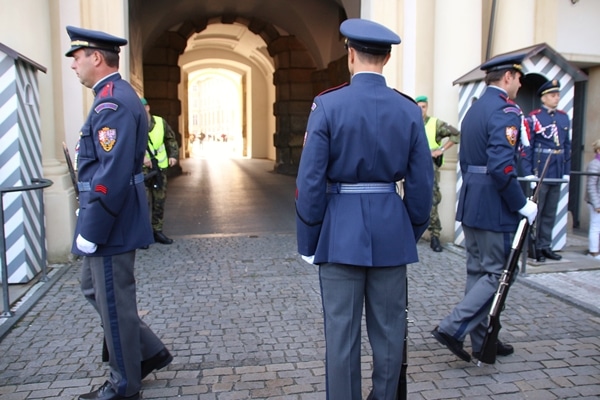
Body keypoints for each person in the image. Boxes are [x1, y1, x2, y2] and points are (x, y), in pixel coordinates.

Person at [295, 18, 433, 399]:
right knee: (390, 334)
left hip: (339, 232)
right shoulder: (408, 110)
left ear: (350, 55)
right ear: (387, 58)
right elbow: (422, 185)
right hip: (391, 227)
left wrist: (310, 239)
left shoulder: (328, 105)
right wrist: (410, 229)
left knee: (342, 336)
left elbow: (310, 183)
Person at [65, 26, 173, 400]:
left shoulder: (112, 102)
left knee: (114, 301)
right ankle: (149, 352)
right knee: (94, 289)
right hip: (110, 216)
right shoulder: (111, 97)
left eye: (77, 58)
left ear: (96, 57)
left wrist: (92, 227)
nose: (74, 65)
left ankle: (124, 385)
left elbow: (110, 173)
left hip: (111, 220)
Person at [431, 53, 538, 363]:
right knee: (498, 273)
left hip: (474, 202)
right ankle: (453, 327)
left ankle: (482, 339)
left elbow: (469, 161)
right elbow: (503, 167)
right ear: (507, 77)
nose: (519, 83)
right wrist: (521, 205)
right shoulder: (506, 111)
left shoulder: (475, 109)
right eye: (518, 77)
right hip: (495, 205)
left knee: (478, 272)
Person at [521, 79, 571, 262]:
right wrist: (529, 172)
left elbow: (567, 146)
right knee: (538, 211)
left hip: (556, 170)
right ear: (543, 97)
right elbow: (527, 147)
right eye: (552, 95)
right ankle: (533, 248)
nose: (556, 98)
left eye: (557, 95)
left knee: (550, 211)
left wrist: (566, 170)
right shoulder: (534, 117)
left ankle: (545, 245)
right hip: (541, 169)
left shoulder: (563, 117)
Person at [415, 95, 461, 252]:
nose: (421, 109)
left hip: (430, 166)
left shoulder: (435, 123)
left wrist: (441, 150)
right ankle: (413, 234)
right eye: (418, 106)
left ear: (427, 107)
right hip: (413, 165)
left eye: (423, 106)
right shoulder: (411, 121)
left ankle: (434, 235)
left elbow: (456, 134)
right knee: (412, 197)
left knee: (432, 199)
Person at [141, 97, 179, 245]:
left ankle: (157, 231)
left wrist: (174, 156)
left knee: (159, 201)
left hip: (159, 169)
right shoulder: (133, 124)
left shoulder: (160, 122)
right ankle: (143, 234)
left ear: (148, 108)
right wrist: (141, 158)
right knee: (143, 203)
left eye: (143, 108)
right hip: (141, 171)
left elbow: (171, 139)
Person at [585, 139, 600, 259]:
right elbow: (591, 186)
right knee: (596, 226)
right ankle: (593, 252)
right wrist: (596, 204)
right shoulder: (595, 164)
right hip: (597, 201)